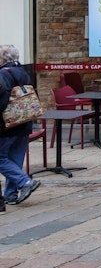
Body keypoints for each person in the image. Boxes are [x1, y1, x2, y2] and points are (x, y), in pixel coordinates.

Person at [0, 45, 40, 208]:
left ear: (2, 59)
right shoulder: (23, 72)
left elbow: (2, 99)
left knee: (1, 158)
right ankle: (10, 194)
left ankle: (25, 182)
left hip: (7, 125)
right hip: (24, 122)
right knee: (15, 159)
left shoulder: (3, 74)